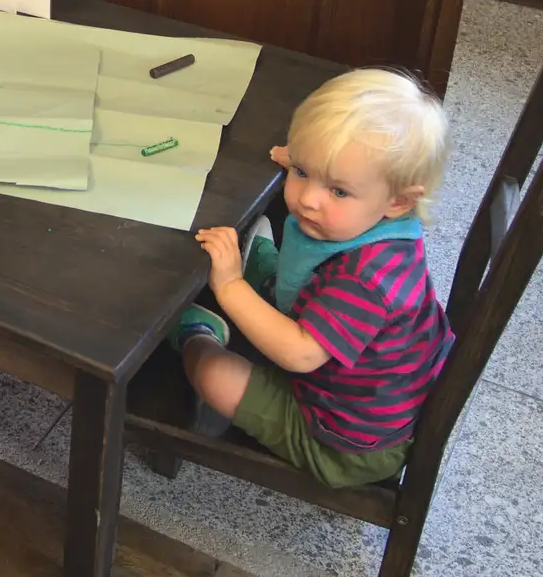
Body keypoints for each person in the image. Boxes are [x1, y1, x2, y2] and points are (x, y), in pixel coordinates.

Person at [169, 68, 454, 488]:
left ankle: (201, 335)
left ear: (398, 200)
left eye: (338, 190)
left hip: (342, 442)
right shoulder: (378, 209)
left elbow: (300, 354)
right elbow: (337, 177)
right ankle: (264, 272)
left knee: (211, 373)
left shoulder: (366, 280)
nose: (308, 198)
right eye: (302, 172)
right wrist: (314, 164)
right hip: (373, 393)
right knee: (301, 235)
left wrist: (228, 286)